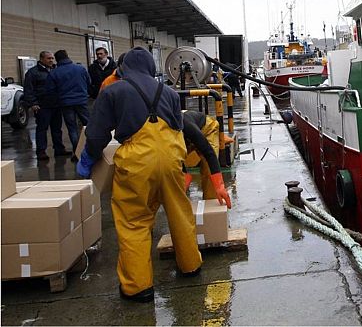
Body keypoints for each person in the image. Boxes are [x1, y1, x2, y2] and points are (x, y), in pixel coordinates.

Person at [76, 47, 202, 302]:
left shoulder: (113, 91)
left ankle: (138, 287)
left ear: (124, 69)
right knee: (179, 212)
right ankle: (191, 266)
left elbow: (98, 134)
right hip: (171, 158)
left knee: (134, 222)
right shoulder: (168, 92)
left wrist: (87, 159)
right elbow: (178, 127)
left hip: (137, 163)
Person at [45, 50, 91, 161]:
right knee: (89, 125)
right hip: (81, 101)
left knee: (72, 128)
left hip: (65, 103)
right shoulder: (80, 68)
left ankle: (77, 152)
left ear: (57, 59)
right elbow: (89, 82)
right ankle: (92, 148)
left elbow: (50, 90)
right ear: (67, 56)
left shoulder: (54, 73)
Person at [22, 51, 68, 161]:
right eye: (49, 58)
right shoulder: (33, 73)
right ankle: (41, 151)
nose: (51, 60)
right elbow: (28, 89)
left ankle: (59, 149)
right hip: (42, 106)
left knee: (57, 129)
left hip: (56, 104)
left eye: (52, 58)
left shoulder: (55, 70)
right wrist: (33, 103)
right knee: (42, 129)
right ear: (41, 59)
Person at [182, 111, 232, 208]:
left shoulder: (187, 125)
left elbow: (209, 152)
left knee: (208, 171)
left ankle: (211, 212)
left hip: (207, 130)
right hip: (187, 138)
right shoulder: (164, 134)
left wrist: (219, 185)